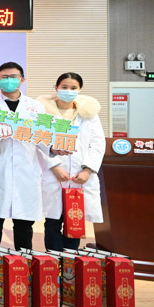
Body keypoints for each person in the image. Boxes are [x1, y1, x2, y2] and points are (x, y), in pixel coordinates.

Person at [0, 61, 62, 251]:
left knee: (24, 224)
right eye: (4, 77)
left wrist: (55, 148)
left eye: (13, 77)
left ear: (22, 80)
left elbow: (43, 137)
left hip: (26, 170)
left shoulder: (36, 107)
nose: (9, 81)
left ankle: (21, 264)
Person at [37, 72, 105, 251]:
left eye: (73, 88)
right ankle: (52, 262)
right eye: (64, 87)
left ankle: (69, 262)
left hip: (79, 177)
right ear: (56, 88)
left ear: (79, 90)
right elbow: (39, 143)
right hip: (54, 175)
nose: (68, 91)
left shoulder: (89, 114)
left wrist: (88, 170)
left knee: (74, 221)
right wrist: (54, 167)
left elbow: (97, 143)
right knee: (52, 223)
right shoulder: (44, 114)